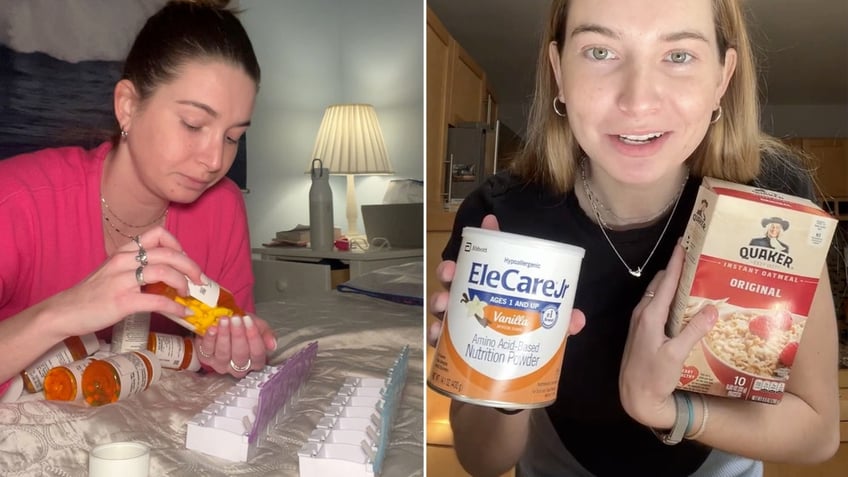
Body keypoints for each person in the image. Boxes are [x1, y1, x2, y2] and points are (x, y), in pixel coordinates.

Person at [427, 0, 840, 476]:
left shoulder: (773, 200)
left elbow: (817, 428)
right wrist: (500, 380)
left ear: (723, 78)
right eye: (600, 52)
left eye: (679, 55)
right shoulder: (502, 220)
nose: (638, 100)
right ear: (559, 70)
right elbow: (482, 461)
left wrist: (669, 410)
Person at [0, 0, 278, 399]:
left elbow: (226, 362)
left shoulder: (222, 208)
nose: (215, 160)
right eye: (193, 124)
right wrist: (64, 312)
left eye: (233, 137)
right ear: (128, 107)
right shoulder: (16, 200)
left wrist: (234, 357)